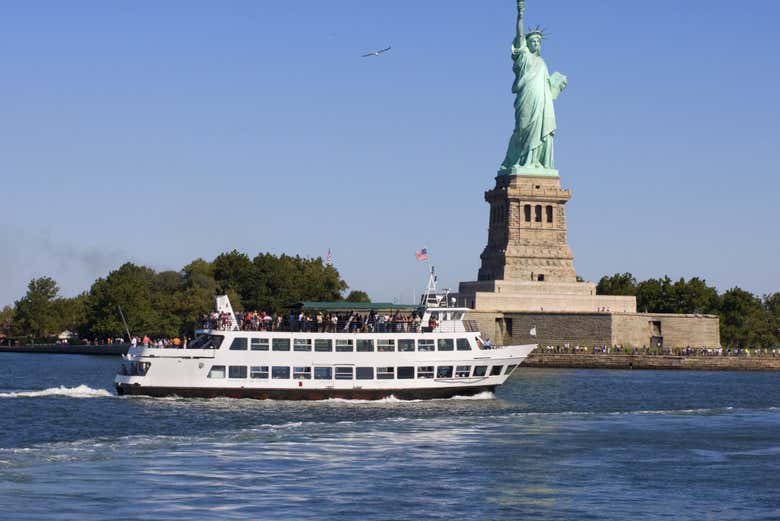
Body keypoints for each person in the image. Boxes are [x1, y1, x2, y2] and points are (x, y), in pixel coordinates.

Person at [499, 0, 567, 173]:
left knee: (540, 129)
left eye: (538, 41)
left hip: (542, 102)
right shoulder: (525, 58)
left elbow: (547, 87)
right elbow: (520, 37)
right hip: (526, 99)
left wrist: (557, 84)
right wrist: (520, 15)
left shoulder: (542, 62)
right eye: (533, 41)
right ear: (527, 44)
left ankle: (534, 161)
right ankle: (523, 160)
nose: (536, 43)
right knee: (523, 129)